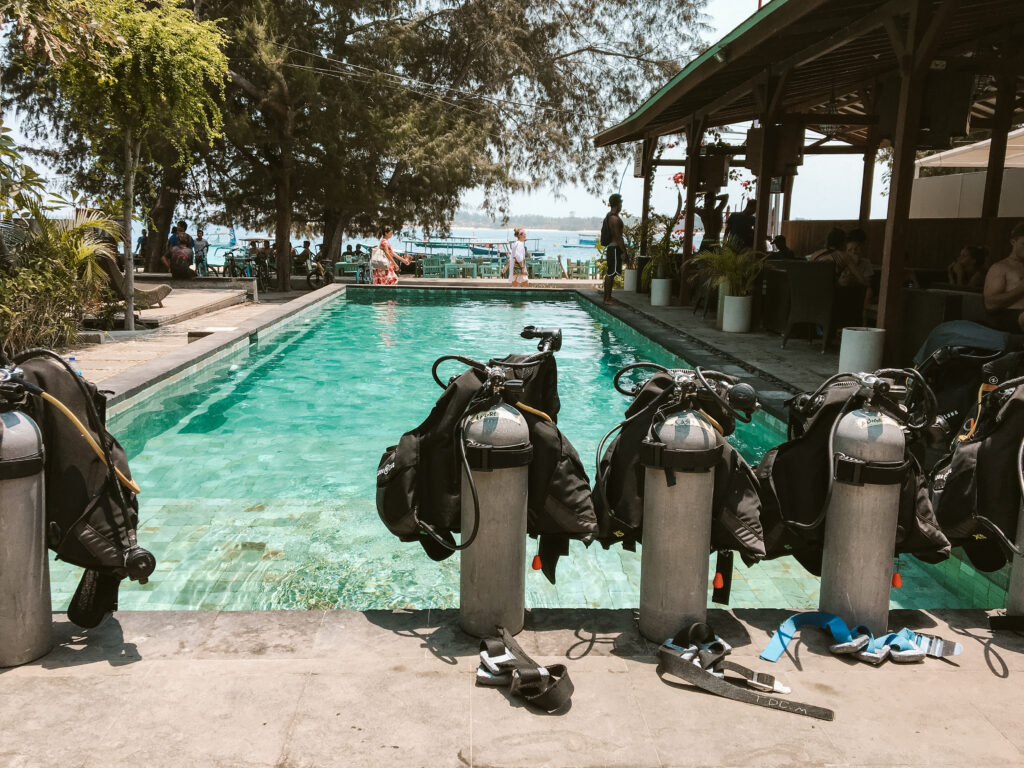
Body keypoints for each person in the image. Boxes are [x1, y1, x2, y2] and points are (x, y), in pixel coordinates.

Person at [983, 222, 1024, 332]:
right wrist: (1021, 289)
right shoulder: (1000, 267)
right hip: (1009, 316)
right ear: (1013, 242)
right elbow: (990, 304)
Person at [600, 193, 625, 304]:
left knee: (611, 273)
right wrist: (625, 252)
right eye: (621, 203)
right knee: (611, 273)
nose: (621, 206)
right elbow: (618, 237)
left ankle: (607, 297)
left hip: (613, 248)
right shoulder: (614, 219)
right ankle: (607, 299)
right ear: (617, 204)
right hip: (614, 248)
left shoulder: (610, 216)